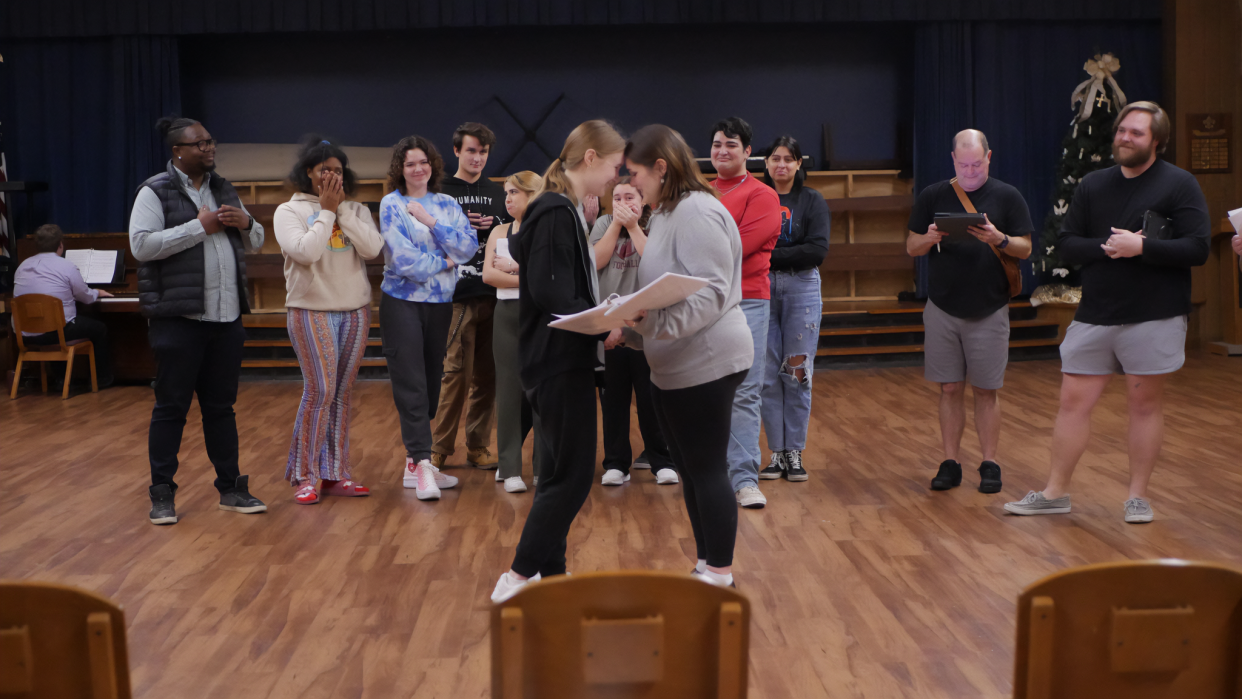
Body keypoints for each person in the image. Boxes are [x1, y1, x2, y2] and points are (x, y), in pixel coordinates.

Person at [1005, 102, 1209, 523]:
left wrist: (1143, 248)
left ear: (1157, 141)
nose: (1124, 138)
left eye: (1136, 133)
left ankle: (1137, 497)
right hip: (1095, 312)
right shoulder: (1093, 185)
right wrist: (1109, 247)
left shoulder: (1179, 184)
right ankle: (1055, 492)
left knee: (1144, 405)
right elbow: (1068, 244)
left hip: (1154, 314)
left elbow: (1198, 248)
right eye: (1121, 130)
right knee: (1073, 402)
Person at [491, 120, 626, 603]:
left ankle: (553, 575)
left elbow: (558, 284)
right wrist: (604, 318)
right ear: (590, 158)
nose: (615, 176)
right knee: (571, 479)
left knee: (554, 476)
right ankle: (517, 577)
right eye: (613, 165)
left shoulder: (561, 210)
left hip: (557, 360)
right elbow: (550, 293)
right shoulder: (553, 209)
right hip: (556, 361)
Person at [624, 124, 753, 588]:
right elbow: (667, 290)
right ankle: (706, 564)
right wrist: (633, 329)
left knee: (707, 470)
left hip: (708, 361)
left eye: (635, 172)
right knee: (693, 473)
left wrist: (649, 325)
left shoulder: (697, 211)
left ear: (661, 168)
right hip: (674, 365)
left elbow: (711, 294)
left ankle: (719, 572)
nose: (631, 182)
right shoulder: (666, 213)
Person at [129, 115, 268, 525]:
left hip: (226, 319)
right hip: (179, 319)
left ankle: (231, 489)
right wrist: (197, 227)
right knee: (171, 407)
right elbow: (141, 246)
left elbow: (256, 240)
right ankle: (162, 494)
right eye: (200, 144)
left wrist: (248, 224)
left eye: (211, 142)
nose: (209, 148)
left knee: (221, 408)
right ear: (178, 151)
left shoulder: (223, 187)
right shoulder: (154, 191)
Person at [906, 129, 1033, 494]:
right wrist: (930, 237)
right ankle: (950, 461)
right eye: (964, 165)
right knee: (948, 388)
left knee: (986, 389)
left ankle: (989, 462)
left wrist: (999, 239)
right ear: (953, 160)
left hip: (989, 307)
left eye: (977, 164)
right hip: (943, 306)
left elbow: (1025, 248)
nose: (971, 170)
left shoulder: (1008, 196)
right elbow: (912, 246)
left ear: (989, 158)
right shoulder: (933, 195)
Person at [273, 137, 385, 504]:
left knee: (340, 393)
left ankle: (335, 474)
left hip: (354, 309)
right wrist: (325, 212)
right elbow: (305, 252)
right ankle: (304, 475)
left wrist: (340, 211)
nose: (332, 175)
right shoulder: (288, 211)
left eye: (338, 170)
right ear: (308, 172)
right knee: (319, 390)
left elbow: (372, 250)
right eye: (325, 170)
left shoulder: (356, 209)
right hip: (311, 309)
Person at [378, 135, 477, 501]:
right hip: (401, 303)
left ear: (432, 165)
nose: (418, 169)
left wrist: (431, 221)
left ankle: (413, 464)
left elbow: (468, 247)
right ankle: (421, 463)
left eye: (423, 162)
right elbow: (404, 262)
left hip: (440, 304)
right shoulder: (392, 203)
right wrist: (446, 262)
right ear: (400, 170)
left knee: (433, 383)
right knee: (413, 384)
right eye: (409, 164)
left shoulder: (446, 204)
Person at [709, 116, 781, 509]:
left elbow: (739, 245)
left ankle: (744, 477)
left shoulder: (762, 194)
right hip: (703, 302)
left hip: (747, 299)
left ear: (748, 152)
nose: (722, 150)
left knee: (745, 390)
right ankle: (709, 471)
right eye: (717, 143)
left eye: (731, 145)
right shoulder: (700, 193)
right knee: (705, 388)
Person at [431, 123, 510, 471]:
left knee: (489, 376)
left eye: (484, 152)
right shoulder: (440, 193)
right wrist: (460, 227)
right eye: (472, 150)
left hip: (495, 295)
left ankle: (478, 445)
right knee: (455, 375)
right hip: (456, 296)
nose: (478, 157)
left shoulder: (497, 193)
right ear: (457, 152)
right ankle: (439, 448)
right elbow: (427, 239)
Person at [590, 178, 678, 487]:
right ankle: (616, 463)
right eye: (616, 197)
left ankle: (662, 461)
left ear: (642, 201)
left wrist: (633, 227)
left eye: (629, 196)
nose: (622, 202)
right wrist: (616, 225)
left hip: (647, 328)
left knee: (651, 399)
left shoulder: (655, 223)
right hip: (612, 327)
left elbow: (657, 264)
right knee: (613, 399)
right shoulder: (602, 224)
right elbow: (597, 261)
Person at [758, 136, 829, 482]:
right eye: (775, 158)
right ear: (766, 163)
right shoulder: (757, 197)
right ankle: (776, 452)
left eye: (789, 159)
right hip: (761, 287)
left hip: (801, 286)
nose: (781, 165)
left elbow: (816, 251)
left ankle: (795, 450)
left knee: (797, 370)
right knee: (768, 371)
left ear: (799, 163)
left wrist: (769, 255)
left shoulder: (811, 200)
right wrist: (776, 256)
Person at [482, 170, 542, 494]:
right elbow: (488, 276)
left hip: (538, 315)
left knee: (540, 391)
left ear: (532, 195)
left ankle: (544, 470)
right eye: (506, 193)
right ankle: (509, 467)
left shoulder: (544, 231)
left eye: (514, 193)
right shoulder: (498, 231)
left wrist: (516, 269)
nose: (507, 199)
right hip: (505, 315)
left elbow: (548, 276)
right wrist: (526, 274)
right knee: (507, 391)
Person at [13, 223, 116, 388]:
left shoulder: (22, 266)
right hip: (55, 332)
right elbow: (86, 297)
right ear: (60, 245)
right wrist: (97, 292)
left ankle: (61, 379)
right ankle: (101, 379)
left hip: (25, 332)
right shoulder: (66, 266)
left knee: (57, 323)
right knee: (99, 328)